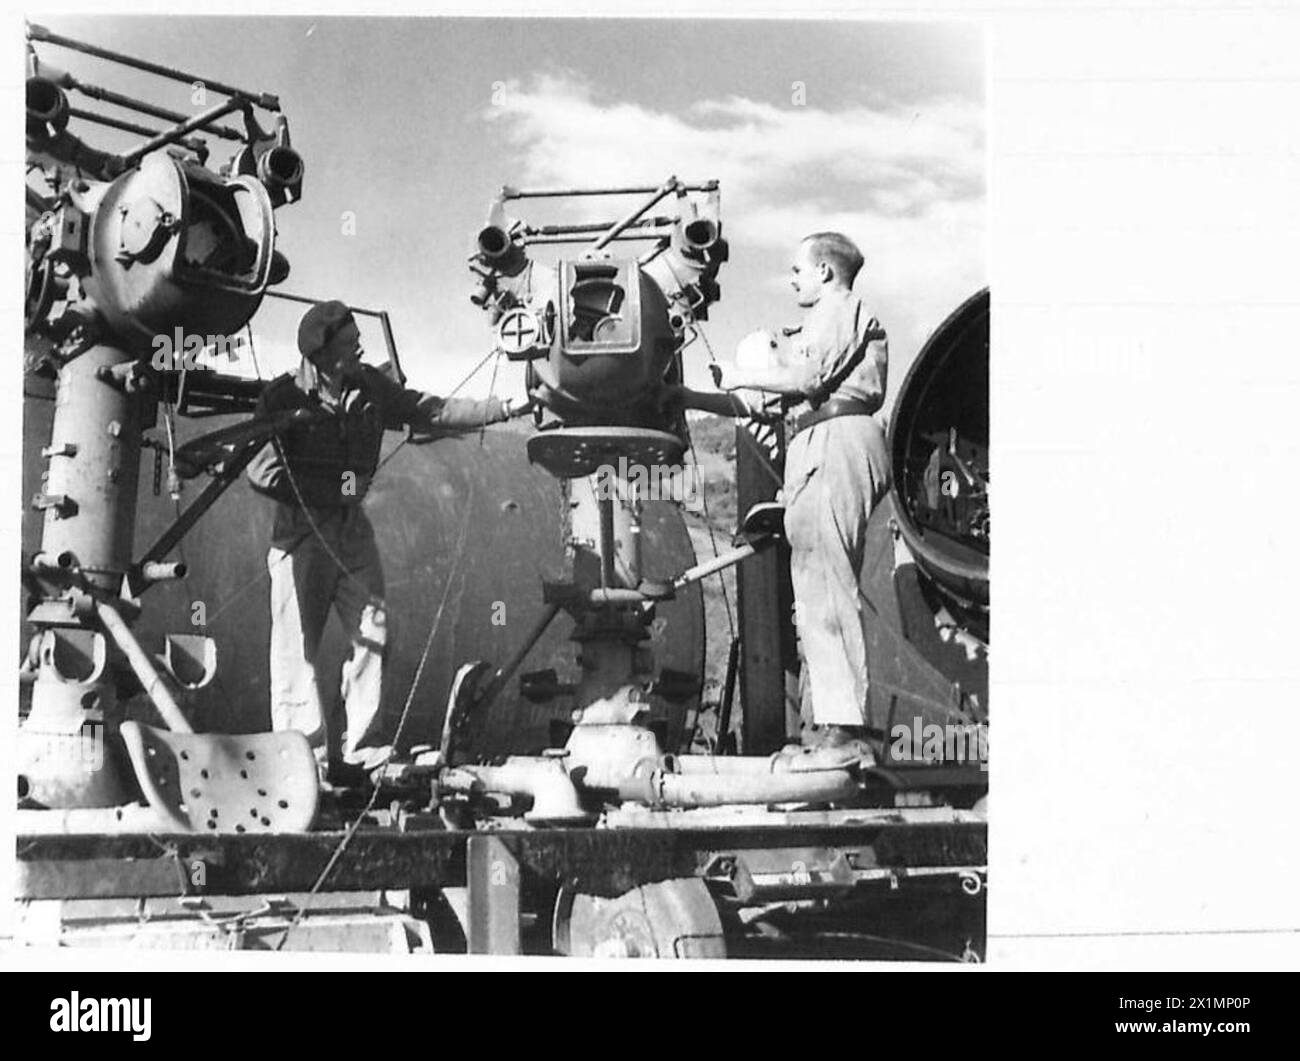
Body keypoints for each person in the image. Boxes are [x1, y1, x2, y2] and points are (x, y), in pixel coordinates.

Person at [245, 299, 531, 781]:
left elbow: (430, 410)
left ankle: (363, 751)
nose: (360, 344)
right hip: (302, 532)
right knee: (299, 648)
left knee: (374, 625)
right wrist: (323, 491)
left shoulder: (369, 386)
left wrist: (503, 407)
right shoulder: (281, 399)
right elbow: (260, 470)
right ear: (322, 349)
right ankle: (303, 758)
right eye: (350, 339)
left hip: (351, 529)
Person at [709, 233, 890, 756]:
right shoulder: (830, 319)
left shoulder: (838, 307)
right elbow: (765, 406)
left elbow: (806, 376)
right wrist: (691, 396)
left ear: (826, 273)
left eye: (797, 270)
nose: (792, 280)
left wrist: (744, 373)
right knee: (815, 591)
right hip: (823, 440)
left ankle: (846, 729)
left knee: (826, 588)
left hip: (835, 441)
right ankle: (834, 723)